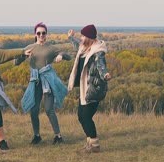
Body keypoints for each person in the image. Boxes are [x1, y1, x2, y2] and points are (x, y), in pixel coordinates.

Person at [15, 22, 71, 145]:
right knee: (34, 110)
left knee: (48, 109)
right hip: (35, 81)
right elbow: (16, 63)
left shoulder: (50, 48)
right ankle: (37, 136)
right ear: (35, 34)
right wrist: (23, 55)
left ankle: (58, 136)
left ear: (46, 34)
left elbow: (68, 56)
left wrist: (61, 55)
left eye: (43, 33)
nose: (41, 35)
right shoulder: (30, 47)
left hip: (48, 81)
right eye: (39, 33)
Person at [67, 24, 111, 153]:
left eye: (83, 36)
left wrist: (105, 74)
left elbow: (101, 64)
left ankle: (95, 145)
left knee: (86, 117)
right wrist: (71, 38)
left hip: (93, 88)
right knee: (81, 116)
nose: (81, 38)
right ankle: (90, 143)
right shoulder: (85, 47)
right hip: (84, 87)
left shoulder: (97, 51)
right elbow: (77, 45)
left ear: (89, 38)